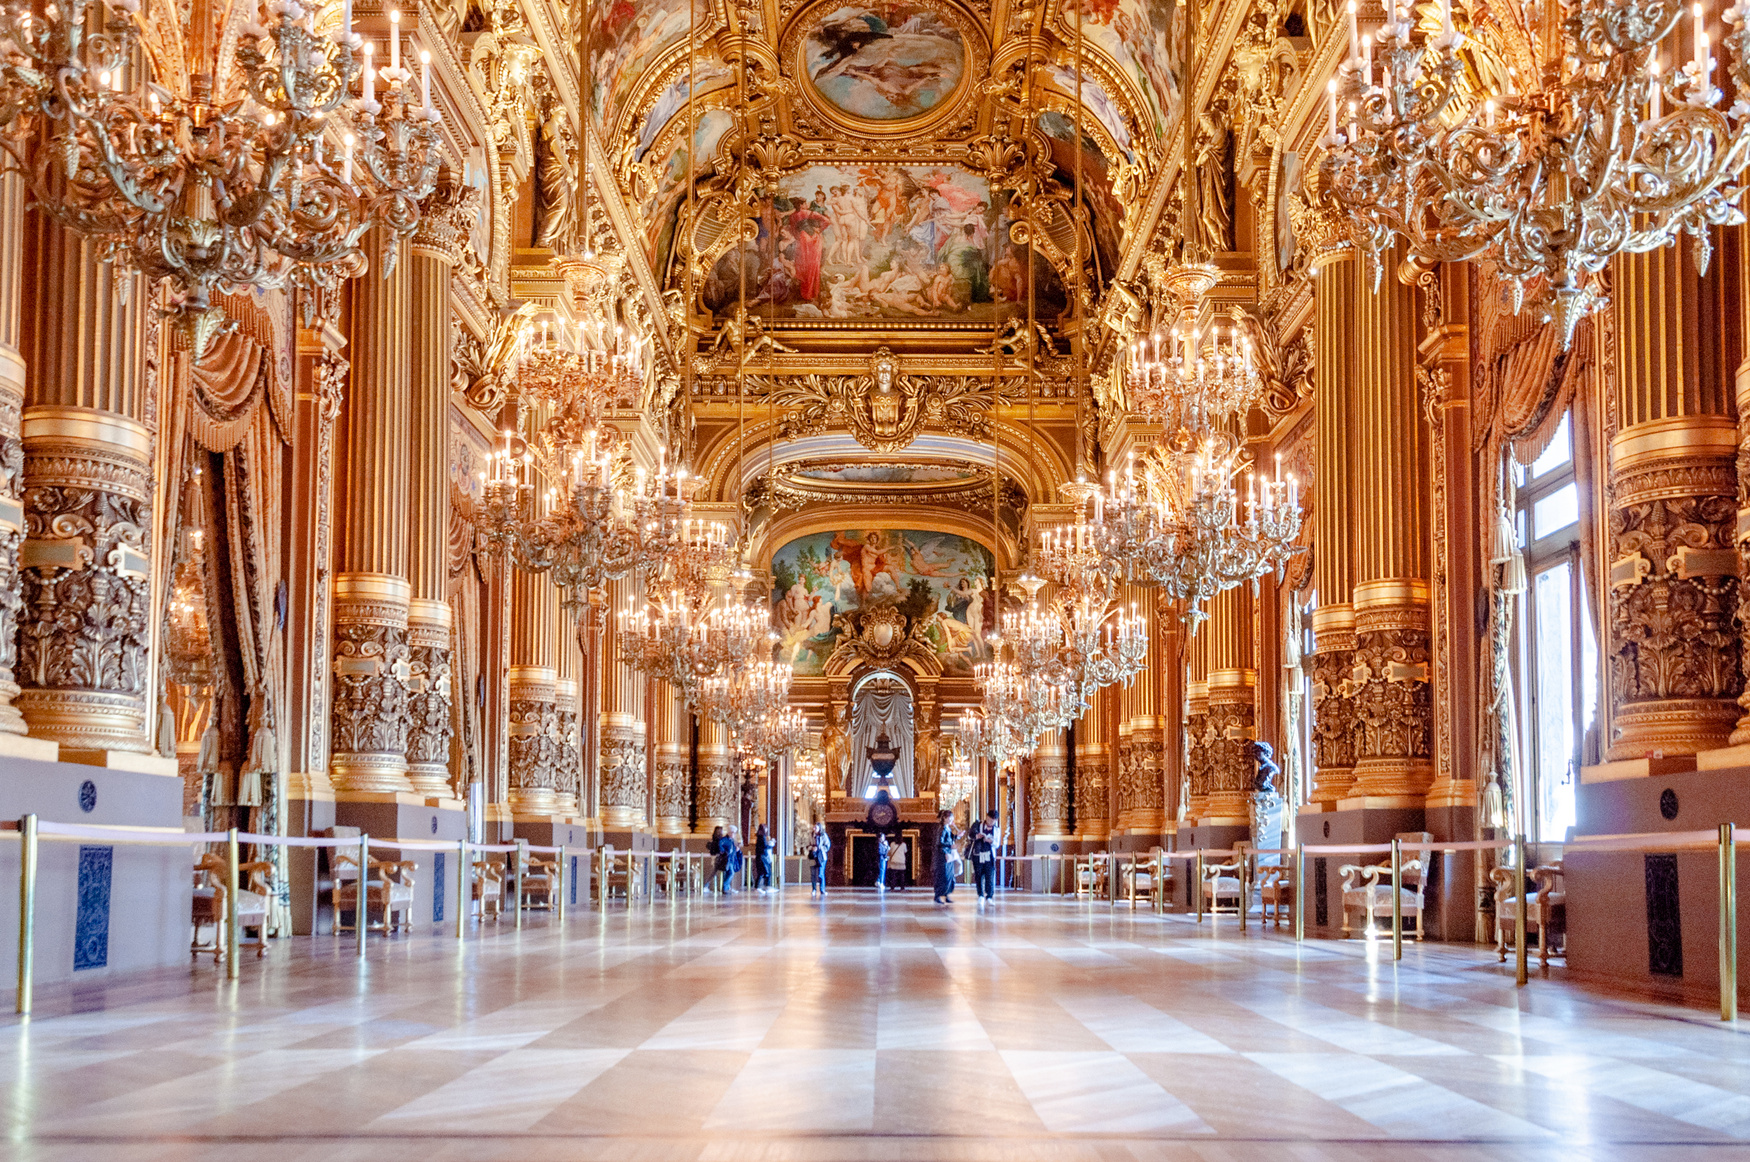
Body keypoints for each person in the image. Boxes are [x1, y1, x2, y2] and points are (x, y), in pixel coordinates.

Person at [972, 810, 999, 903]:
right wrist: (978, 836)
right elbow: (971, 836)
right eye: (989, 819)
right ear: (986, 817)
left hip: (990, 855)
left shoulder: (996, 829)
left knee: (990, 875)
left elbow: (997, 844)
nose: (990, 821)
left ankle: (989, 896)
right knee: (978, 875)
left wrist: (990, 841)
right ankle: (980, 895)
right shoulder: (978, 825)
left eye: (993, 820)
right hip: (978, 854)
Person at [934, 809, 958, 904]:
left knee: (949, 875)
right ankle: (938, 895)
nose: (951, 819)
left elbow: (950, 839)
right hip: (943, 855)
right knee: (943, 876)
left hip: (948, 854)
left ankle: (947, 894)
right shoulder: (942, 828)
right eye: (950, 817)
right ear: (944, 818)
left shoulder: (948, 828)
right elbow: (939, 843)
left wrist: (957, 836)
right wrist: (949, 847)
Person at [809, 823, 831, 897]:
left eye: (816, 828)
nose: (814, 829)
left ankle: (822, 890)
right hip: (813, 856)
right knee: (813, 874)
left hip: (821, 857)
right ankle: (814, 889)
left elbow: (827, 845)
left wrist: (821, 848)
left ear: (819, 828)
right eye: (814, 827)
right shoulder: (811, 835)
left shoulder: (823, 835)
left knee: (820, 874)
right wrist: (812, 848)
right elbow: (807, 845)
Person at [754, 823, 774, 893]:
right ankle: (765, 887)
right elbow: (764, 847)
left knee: (761, 873)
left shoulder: (759, 837)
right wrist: (771, 845)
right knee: (765, 872)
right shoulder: (762, 837)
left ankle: (758, 887)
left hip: (760, 856)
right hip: (762, 857)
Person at [726, 825, 744, 893]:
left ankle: (727, 887)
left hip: (731, 859)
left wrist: (737, 850)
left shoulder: (732, 840)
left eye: (734, 832)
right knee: (731, 873)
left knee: (730, 873)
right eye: (732, 832)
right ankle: (726, 887)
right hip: (728, 859)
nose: (733, 834)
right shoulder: (726, 840)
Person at [709, 825, 727, 894]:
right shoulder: (719, 840)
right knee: (714, 872)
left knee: (714, 872)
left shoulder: (714, 838)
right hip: (718, 857)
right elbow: (719, 849)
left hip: (715, 856)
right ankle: (718, 888)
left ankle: (717, 888)